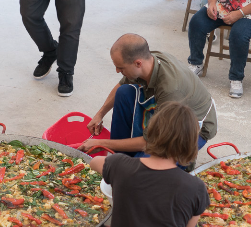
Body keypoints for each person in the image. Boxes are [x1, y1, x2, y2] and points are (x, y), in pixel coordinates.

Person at [80, 33, 217, 157]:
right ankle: (120, 155)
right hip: (169, 108)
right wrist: (100, 114)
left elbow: (149, 141)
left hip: (190, 129)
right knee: (124, 92)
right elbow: (121, 85)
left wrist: (103, 143)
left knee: (141, 171)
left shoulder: (171, 89)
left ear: (138, 63)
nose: (117, 71)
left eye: (120, 68)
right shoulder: (148, 60)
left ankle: (182, 163)